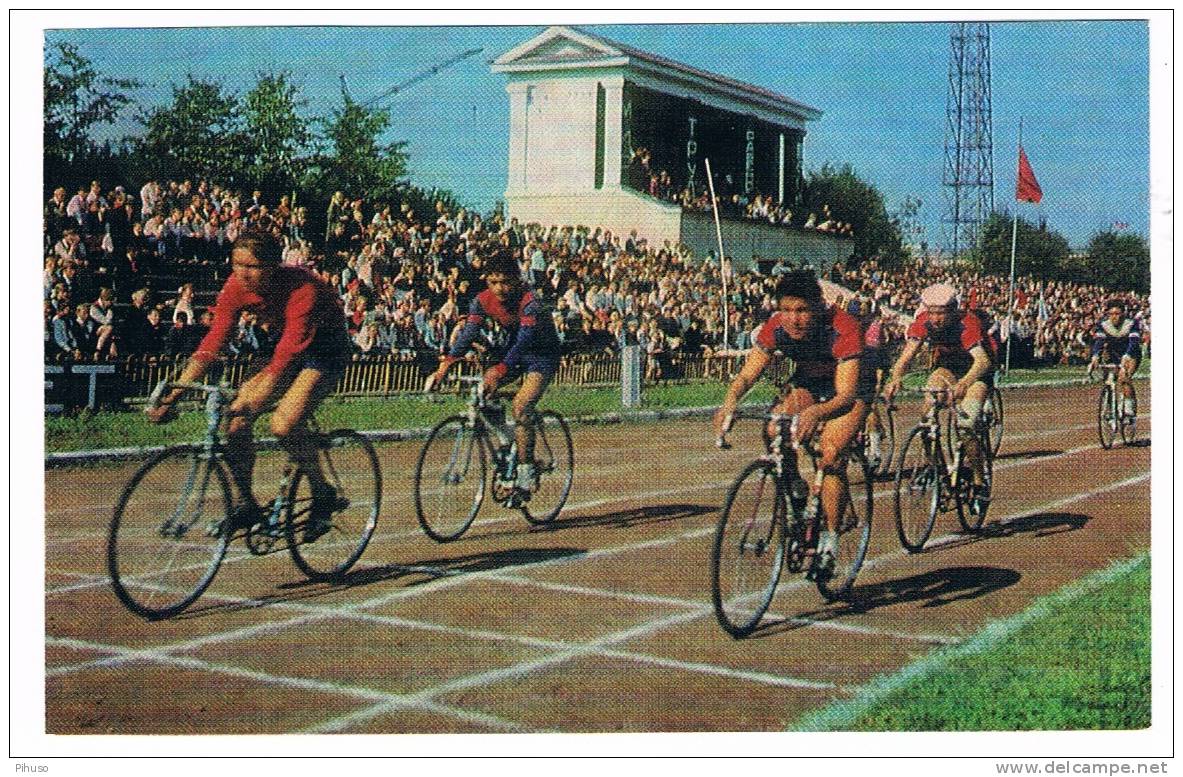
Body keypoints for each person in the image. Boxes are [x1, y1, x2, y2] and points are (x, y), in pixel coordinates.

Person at [146, 229, 352, 540]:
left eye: (251, 266)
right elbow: (214, 341)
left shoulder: (302, 290)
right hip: (282, 342)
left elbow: (283, 362)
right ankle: (245, 504)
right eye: (236, 264)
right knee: (237, 420)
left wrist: (253, 401)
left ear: (272, 266)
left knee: (283, 425)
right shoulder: (235, 286)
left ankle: (322, 492)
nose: (242, 273)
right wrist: (174, 393)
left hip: (324, 349)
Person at [713, 271, 870, 576]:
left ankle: (831, 540)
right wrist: (729, 402)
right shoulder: (776, 327)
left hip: (849, 391)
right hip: (810, 381)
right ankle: (797, 489)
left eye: (802, 311)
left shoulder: (843, 327)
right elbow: (748, 375)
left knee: (830, 454)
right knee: (775, 427)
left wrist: (815, 414)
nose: (793, 319)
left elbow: (846, 396)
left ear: (819, 307)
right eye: (786, 310)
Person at [426, 251, 562, 497]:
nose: (499, 289)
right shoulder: (481, 300)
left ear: (517, 279)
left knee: (521, 406)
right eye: (493, 282)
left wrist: (499, 371)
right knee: (482, 393)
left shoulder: (530, 301)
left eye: (505, 282)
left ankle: (526, 470)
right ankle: (508, 439)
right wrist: (445, 365)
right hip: (513, 350)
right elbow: (468, 333)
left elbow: (524, 342)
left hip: (541, 354)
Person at [884, 283, 997, 509]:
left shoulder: (967, 324)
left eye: (941, 313)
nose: (935, 318)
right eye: (931, 312)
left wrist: (965, 383)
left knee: (966, 425)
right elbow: (906, 357)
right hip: (947, 368)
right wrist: (895, 377)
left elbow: (982, 361)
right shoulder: (923, 322)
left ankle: (978, 480)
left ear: (953, 311)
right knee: (927, 415)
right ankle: (940, 472)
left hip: (976, 372)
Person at [1087, 298, 1142, 419]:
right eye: (1111, 314)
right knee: (1108, 379)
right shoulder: (1103, 324)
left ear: (1123, 313)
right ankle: (1110, 407)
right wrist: (1095, 355)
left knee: (1124, 378)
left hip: (1131, 353)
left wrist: (1127, 356)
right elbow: (1099, 342)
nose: (1114, 317)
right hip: (1113, 353)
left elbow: (1134, 342)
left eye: (1117, 314)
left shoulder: (1131, 323)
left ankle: (1129, 409)